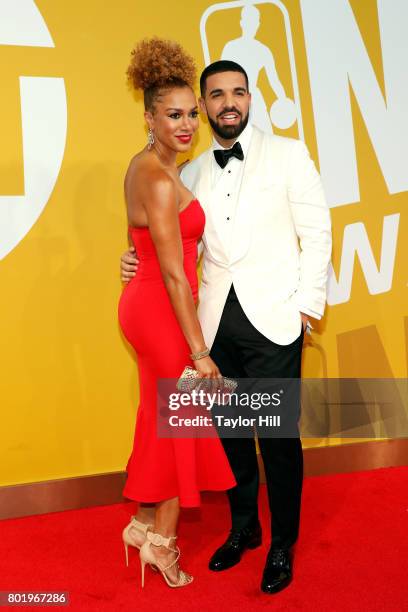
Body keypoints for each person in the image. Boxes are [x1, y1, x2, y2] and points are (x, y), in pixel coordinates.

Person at [121, 59, 332, 594]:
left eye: (237, 92)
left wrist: (306, 307)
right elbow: (171, 248)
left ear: (250, 99)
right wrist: (132, 263)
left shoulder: (288, 154)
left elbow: (318, 233)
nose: (226, 103)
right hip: (213, 323)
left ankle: (283, 542)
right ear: (205, 103)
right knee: (233, 436)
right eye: (215, 96)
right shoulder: (186, 170)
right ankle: (245, 528)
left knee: (279, 438)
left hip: (274, 320)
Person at [118, 40, 236, 590]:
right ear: (150, 118)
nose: (188, 124)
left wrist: (132, 261)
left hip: (146, 306)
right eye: (174, 115)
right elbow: (172, 276)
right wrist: (200, 353)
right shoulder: (163, 181)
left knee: (160, 418)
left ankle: (142, 526)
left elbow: (140, 244)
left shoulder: (145, 166)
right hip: (163, 310)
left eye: (193, 114)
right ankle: (162, 545)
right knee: (181, 424)